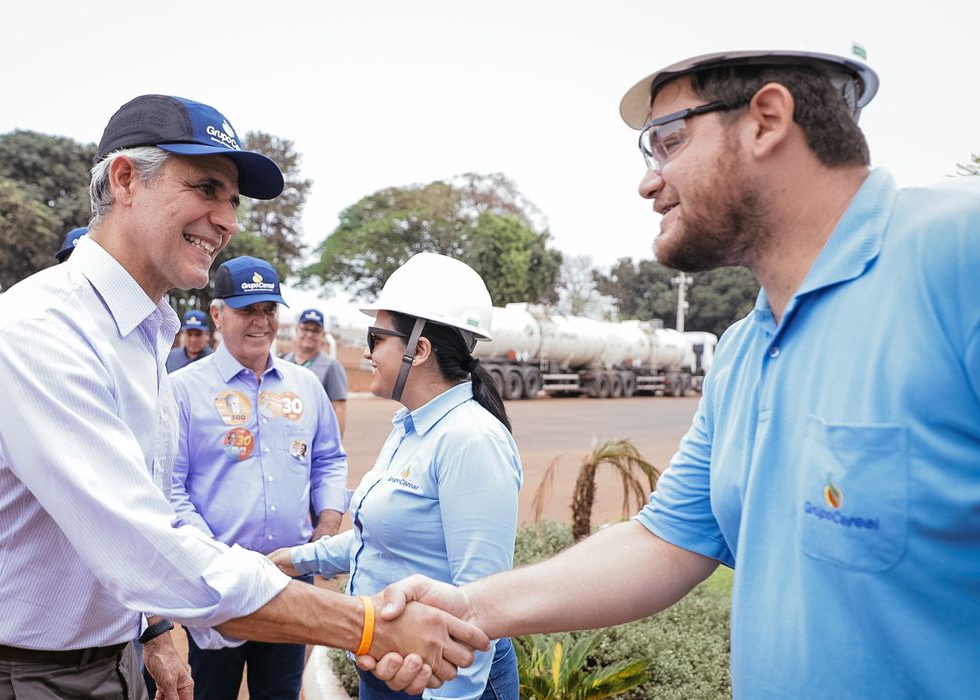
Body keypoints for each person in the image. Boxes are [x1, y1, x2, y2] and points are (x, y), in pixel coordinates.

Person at [363, 49, 980, 698]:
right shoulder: (744, 351)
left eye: (668, 141)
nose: (649, 181)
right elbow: (664, 543)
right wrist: (471, 610)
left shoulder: (956, 261)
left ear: (767, 120)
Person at [0, 94, 486, 700]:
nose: (227, 219)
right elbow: (142, 548)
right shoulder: (40, 331)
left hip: (110, 659)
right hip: (6, 676)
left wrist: (155, 628)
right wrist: (367, 625)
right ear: (126, 179)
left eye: (231, 200)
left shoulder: (141, 337)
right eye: (206, 188)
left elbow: (146, 512)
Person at [272, 253, 523, 700]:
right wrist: (292, 560)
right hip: (389, 669)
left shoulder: (471, 439)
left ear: (419, 350)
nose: (367, 353)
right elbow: (381, 541)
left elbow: (481, 604)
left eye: (376, 338)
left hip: (441, 680)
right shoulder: (409, 427)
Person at [170, 256, 348, 700]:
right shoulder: (182, 391)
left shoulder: (305, 386)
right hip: (218, 583)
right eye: (247, 310)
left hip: (290, 578)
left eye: (269, 309)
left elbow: (328, 458)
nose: (260, 322)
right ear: (217, 313)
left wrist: (326, 525)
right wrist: (215, 560)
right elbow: (169, 488)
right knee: (212, 690)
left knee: (281, 692)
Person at [279, 308, 349, 437]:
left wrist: (336, 445)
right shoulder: (282, 361)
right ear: (297, 330)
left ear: (323, 335)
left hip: (314, 438)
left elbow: (339, 407)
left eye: (316, 331)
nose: (309, 334)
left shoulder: (331, 366)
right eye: (305, 329)